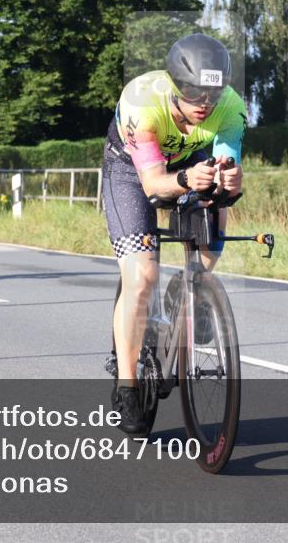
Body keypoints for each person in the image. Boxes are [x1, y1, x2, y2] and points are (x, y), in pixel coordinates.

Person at [101, 33, 247, 434]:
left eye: (212, 95)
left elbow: (226, 175)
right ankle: (128, 385)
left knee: (213, 214)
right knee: (142, 275)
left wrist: (229, 181)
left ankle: (192, 288)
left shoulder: (231, 108)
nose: (205, 104)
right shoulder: (141, 103)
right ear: (175, 85)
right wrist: (184, 178)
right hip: (131, 171)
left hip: (189, 161)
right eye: (195, 93)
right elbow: (152, 186)